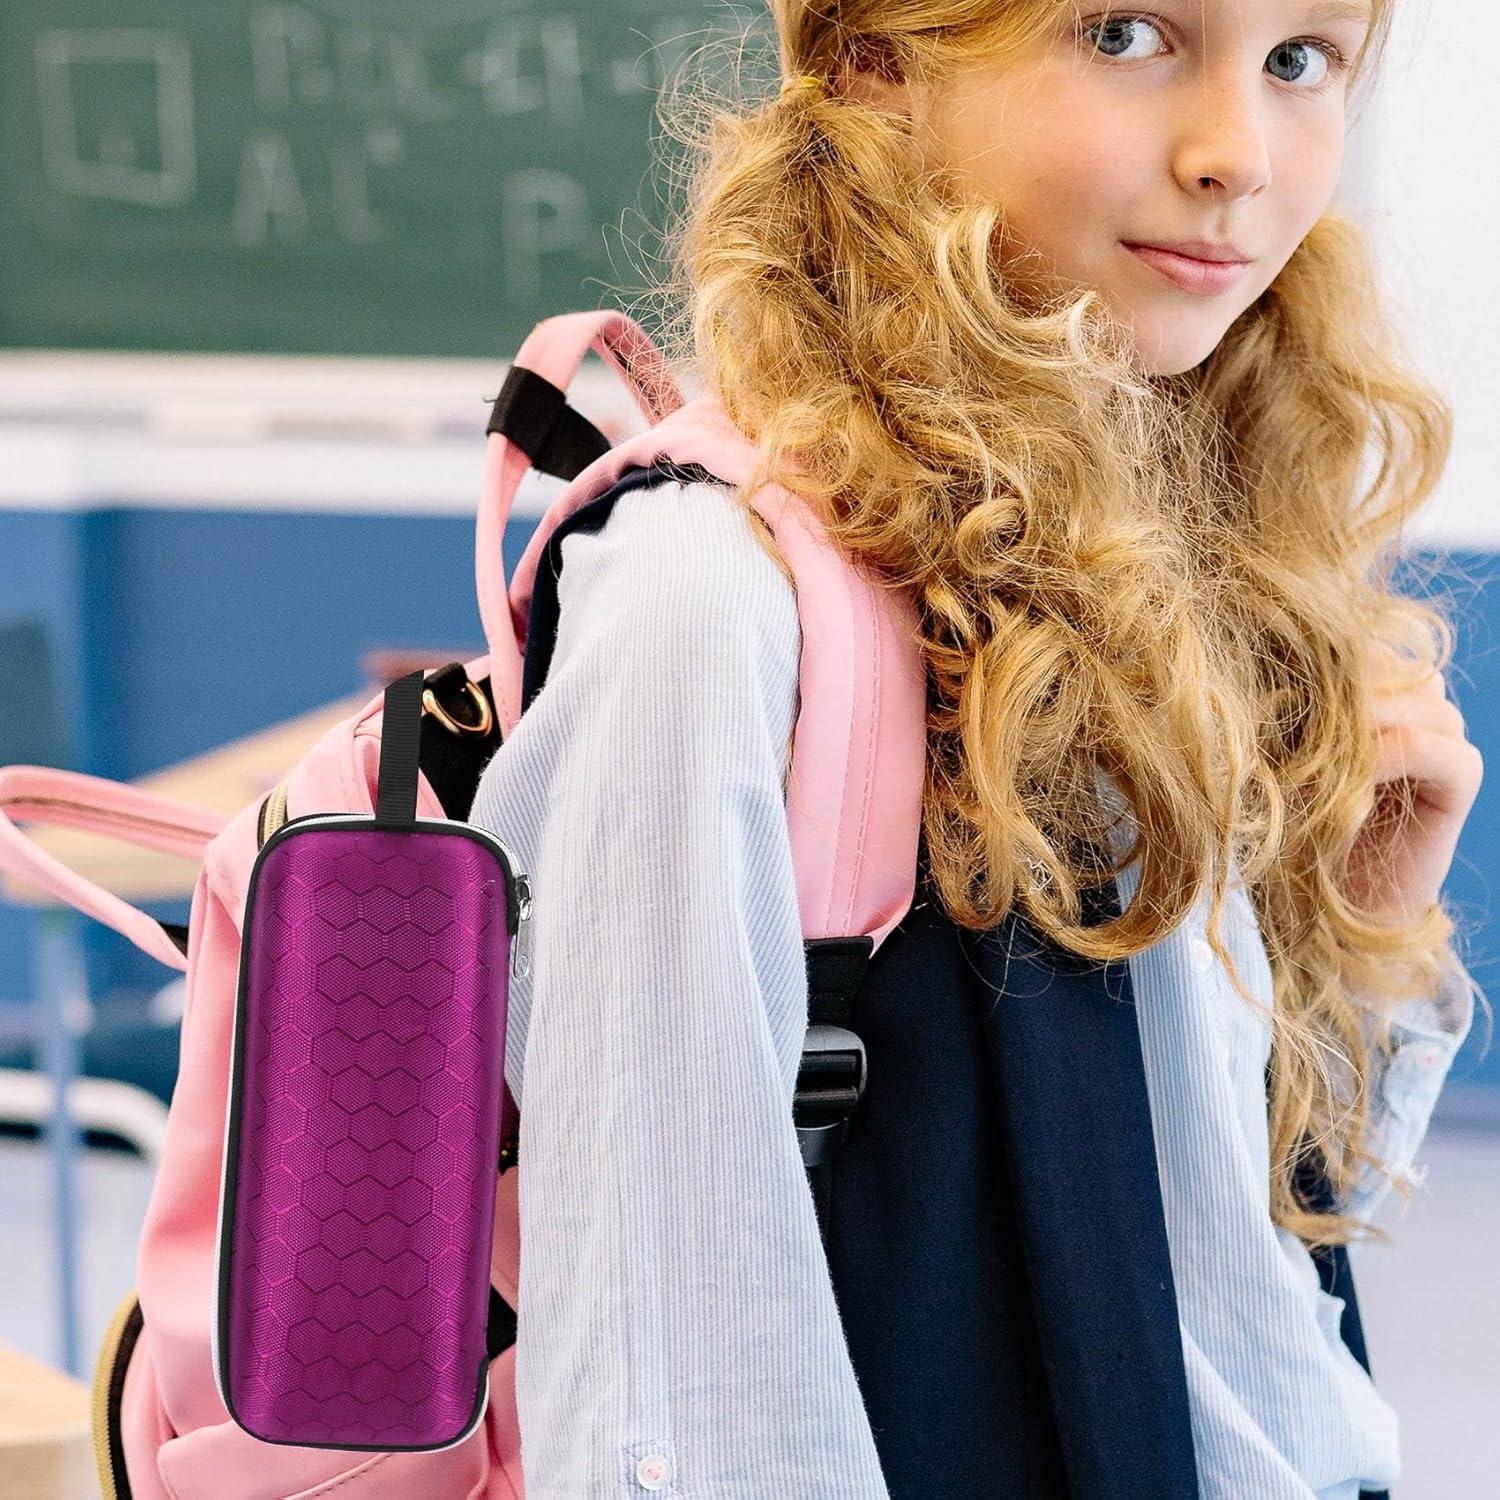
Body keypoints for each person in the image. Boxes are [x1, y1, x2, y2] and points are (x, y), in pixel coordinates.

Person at [467, 3, 1483, 1495]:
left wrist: (1361, 923)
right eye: (1128, 32)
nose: (1238, 155)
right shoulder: (717, 593)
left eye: (1301, 60)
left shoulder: (1197, 529)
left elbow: (1229, 1262)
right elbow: (668, 1388)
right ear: (877, 61)